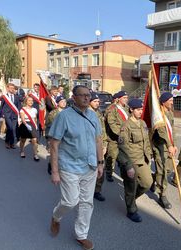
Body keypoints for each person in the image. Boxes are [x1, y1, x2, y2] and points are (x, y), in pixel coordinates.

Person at [49, 85, 104, 250]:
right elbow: (54, 144)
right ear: (74, 97)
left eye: (88, 95)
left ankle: (81, 235)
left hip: (90, 166)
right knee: (70, 201)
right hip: (69, 166)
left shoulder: (93, 116)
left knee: (87, 202)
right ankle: (56, 216)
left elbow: (98, 140)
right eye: (82, 95)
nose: (87, 98)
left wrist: (100, 163)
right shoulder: (64, 116)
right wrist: (55, 171)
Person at [118, 99, 153, 222]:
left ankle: (131, 199)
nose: (140, 111)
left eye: (141, 109)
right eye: (138, 109)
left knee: (147, 183)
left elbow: (146, 142)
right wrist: (128, 166)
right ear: (131, 110)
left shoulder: (142, 123)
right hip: (131, 160)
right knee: (130, 186)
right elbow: (122, 147)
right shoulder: (126, 126)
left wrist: (149, 156)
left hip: (142, 159)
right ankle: (131, 210)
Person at [152, 92, 177, 209]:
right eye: (170, 100)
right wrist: (169, 145)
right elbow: (162, 131)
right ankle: (162, 195)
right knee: (162, 170)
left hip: (168, 145)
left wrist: (174, 144)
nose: (172, 102)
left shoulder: (170, 113)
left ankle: (154, 178)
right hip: (159, 145)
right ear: (164, 102)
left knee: (168, 170)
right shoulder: (159, 114)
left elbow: (172, 130)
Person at [105, 90, 129, 182]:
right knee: (112, 156)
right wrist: (121, 133)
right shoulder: (112, 109)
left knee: (125, 156)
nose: (126, 100)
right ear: (118, 99)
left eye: (127, 98)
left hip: (125, 137)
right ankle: (109, 173)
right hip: (114, 137)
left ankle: (125, 173)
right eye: (124, 98)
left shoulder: (127, 108)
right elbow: (112, 123)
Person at [89, 92, 107, 201]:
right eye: (95, 101)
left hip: (100, 145)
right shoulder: (86, 113)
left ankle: (97, 191)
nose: (97, 103)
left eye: (98, 101)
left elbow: (103, 130)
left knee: (101, 169)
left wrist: (104, 144)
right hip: (90, 146)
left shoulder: (99, 112)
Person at [45, 95, 67, 175]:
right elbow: (48, 124)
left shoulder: (68, 112)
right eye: (62, 102)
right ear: (58, 103)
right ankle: (51, 165)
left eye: (65, 101)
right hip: (54, 136)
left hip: (65, 136)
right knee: (54, 152)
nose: (64, 103)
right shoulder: (53, 113)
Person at [0, 83, 21, 149]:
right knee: (10, 128)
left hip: (14, 115)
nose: (12, 89)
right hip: (7, 115)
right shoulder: (4, 97)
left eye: (13, 88)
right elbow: (1, 106)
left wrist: (19, 113)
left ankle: (11, 143)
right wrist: (2, 114)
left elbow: (19, 106)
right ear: (7, 88)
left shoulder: (16, 97)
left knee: (13, 129)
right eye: (10, 88)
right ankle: (7, 142)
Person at [19, 96, 39, 161]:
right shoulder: (23, 109)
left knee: (34, 140)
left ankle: (35, 154)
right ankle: (22, 151)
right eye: (29, 100)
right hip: (25, 125)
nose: (31, 102)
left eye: (32, 100)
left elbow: (35, 118)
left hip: (32, 124)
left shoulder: (35, 109)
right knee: (23, 140)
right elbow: (22, 118)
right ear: (26, 101)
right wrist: (26, 125)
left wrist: (36, 125)